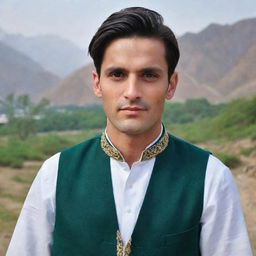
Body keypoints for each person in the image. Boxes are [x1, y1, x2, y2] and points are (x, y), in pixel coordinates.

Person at [7, 7, 252, 256]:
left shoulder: (210, 177)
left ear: (171, 85)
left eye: (148, 75)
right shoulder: (55, 173)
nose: (132, 91)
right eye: (117, 74)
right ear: (97, 83)